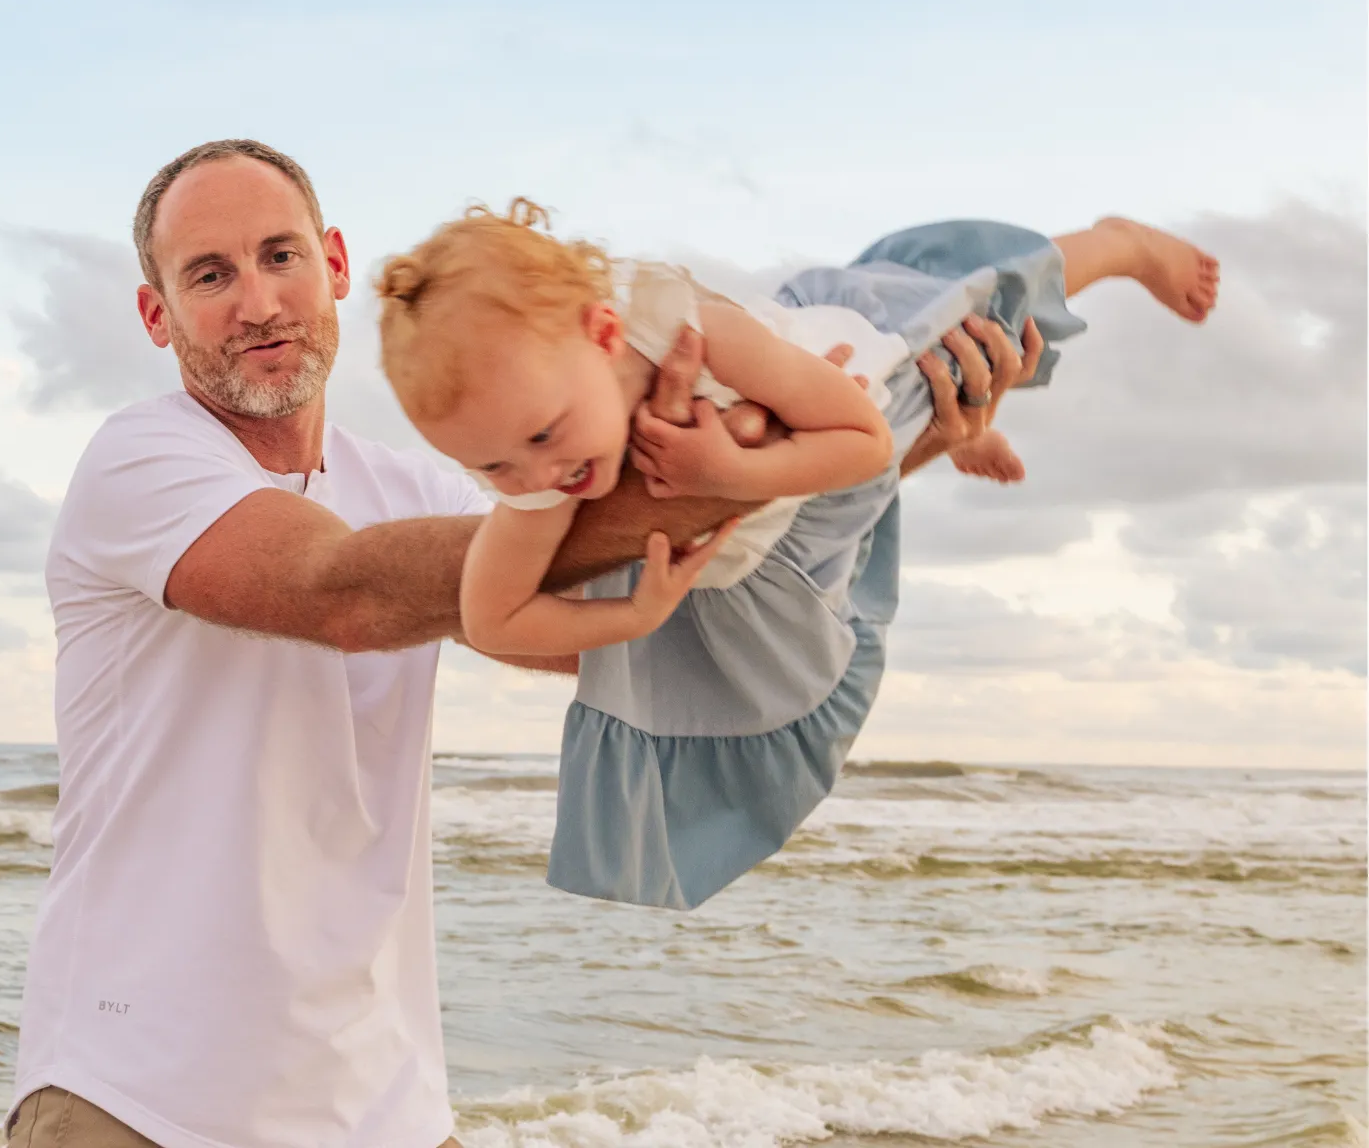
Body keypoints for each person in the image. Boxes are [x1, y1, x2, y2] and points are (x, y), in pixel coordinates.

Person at [6, 138, 1029, 1148]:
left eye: (280, 257)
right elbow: (343, 593)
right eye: (210, 274)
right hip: (133, 1100)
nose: (259, 301)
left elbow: (635, 626)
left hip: (379, 1107)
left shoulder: (430, 491)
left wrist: (874, 444)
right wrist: (756, 465)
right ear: (157, 313)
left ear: (333, 265)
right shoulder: (139, 463)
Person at [374, 202, 1218, 909]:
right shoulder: (528, 446)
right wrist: (635, 613)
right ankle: (965, 432)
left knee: (980, 304)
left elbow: (857, 443)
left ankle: (1121, 245)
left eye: (542, 438)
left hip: (845, 383)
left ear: (602, 335)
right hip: (783, 521)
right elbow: (489, 615)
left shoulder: (684, 330)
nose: (536, 477)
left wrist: (726, 472)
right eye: (487, 466)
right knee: (835, 557)